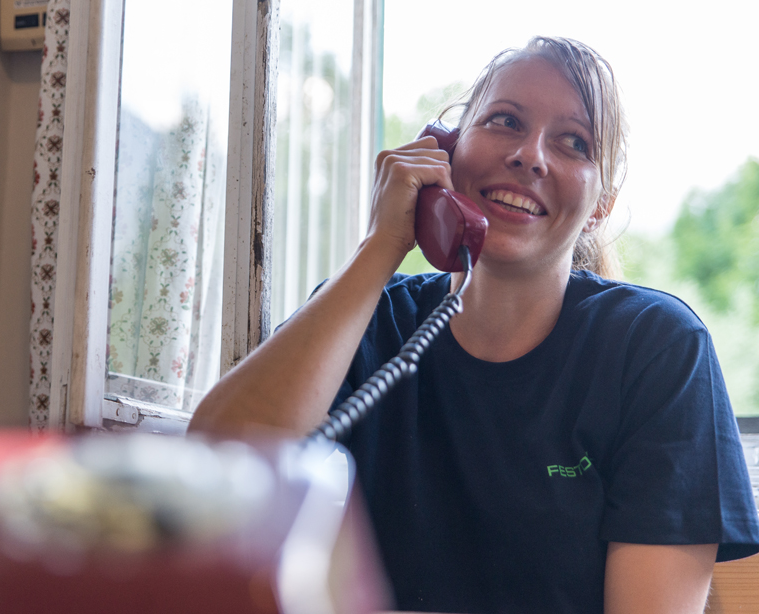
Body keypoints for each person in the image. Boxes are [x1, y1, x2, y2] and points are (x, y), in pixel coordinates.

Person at [189, 36, 759, 613]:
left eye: (573, 141)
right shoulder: (369, 319)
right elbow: (218, 462)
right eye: (505, 120)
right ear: (448, 150)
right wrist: (382, 245)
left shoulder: (657, 348)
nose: (530, 155)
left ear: (602, 203)